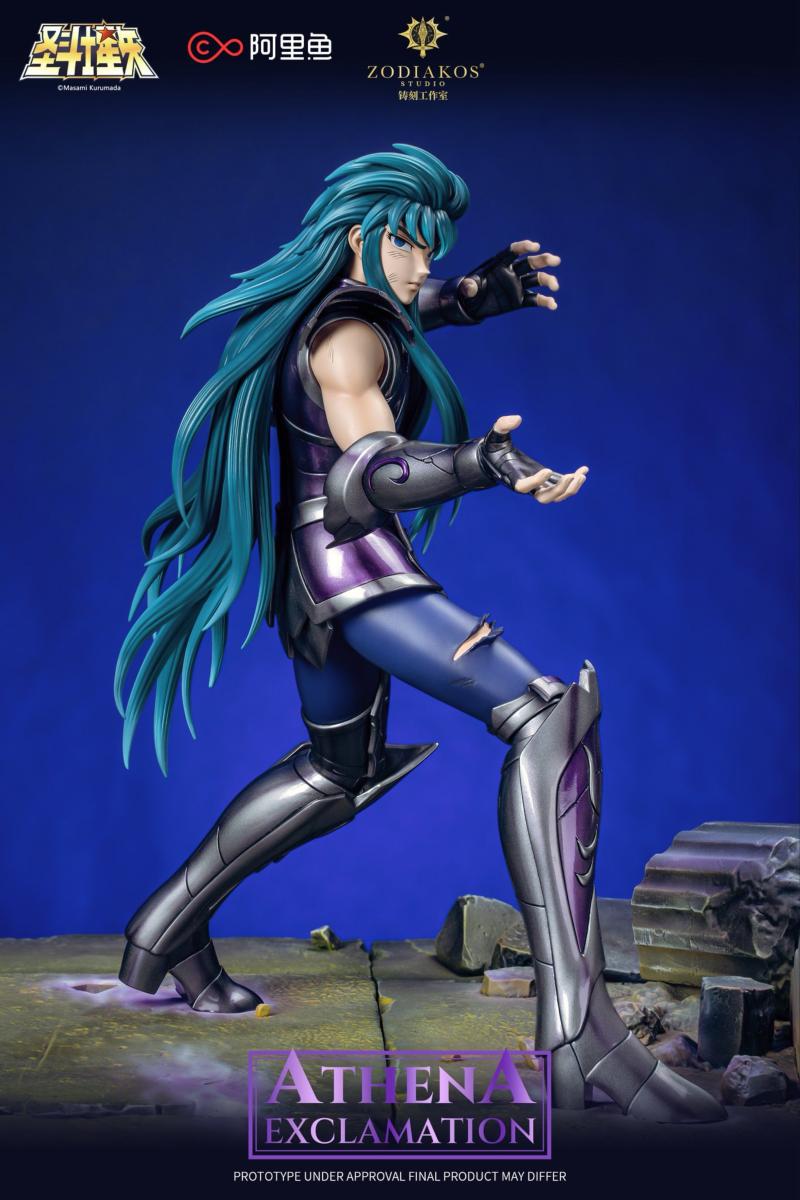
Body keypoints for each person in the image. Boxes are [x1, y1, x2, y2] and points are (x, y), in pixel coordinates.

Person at [114, 144, 724, 1122]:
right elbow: (367, 471)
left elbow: (404, 308)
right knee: (549, 718)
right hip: (358, 576)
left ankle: (163, 929)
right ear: (358, 236)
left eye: (429, 248)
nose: (419, 266)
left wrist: (474, 296)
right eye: (405, 244)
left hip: (313, 583)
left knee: (337, 772)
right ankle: (578, 1033)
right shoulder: (346, 338)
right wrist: (482, 462)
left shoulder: (346, 306)